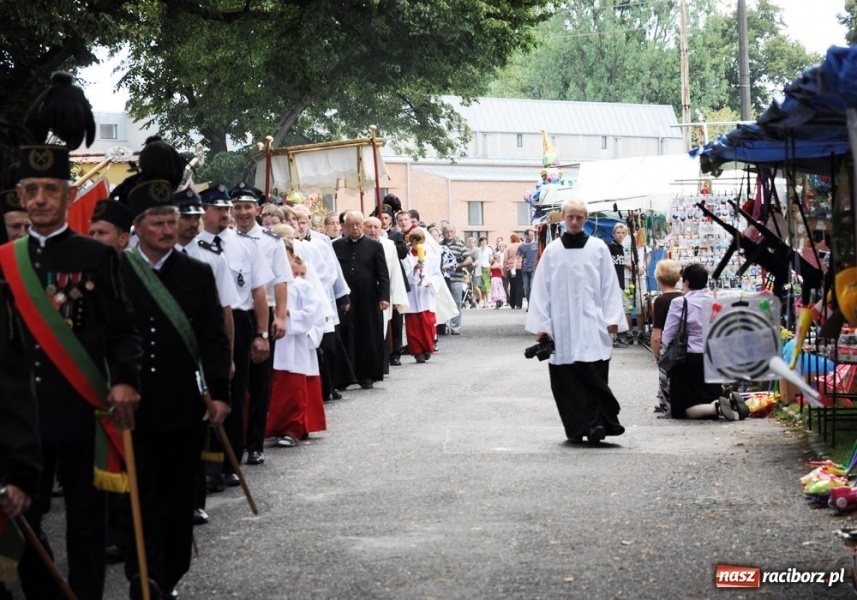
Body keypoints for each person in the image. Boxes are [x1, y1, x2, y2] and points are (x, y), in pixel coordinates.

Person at [2, 81, 144, 597]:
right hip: (22, 420)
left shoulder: (96, 257)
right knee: (24, 525)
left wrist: (125, 380)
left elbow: (123, 331)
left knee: (85, 525)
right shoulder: (4, 264)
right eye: (32, 191)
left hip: (84, 411)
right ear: (21, 196)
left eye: (52, 190)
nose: (41, 199)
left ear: (67, 195)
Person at [119, 179, 231, 599]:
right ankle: (143, 576)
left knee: (178, 497)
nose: (168, 230)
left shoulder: (197, 273)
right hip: (135, 406)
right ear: (139, 227)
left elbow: (213, 339)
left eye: (172, 221)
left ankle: (169, 572)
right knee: (140, 498)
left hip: (184, 408)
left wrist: (220, 395)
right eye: (158, 223)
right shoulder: (118, 271)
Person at [525, 199, 626, 445]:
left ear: (585, 219)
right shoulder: (552, 251)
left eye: (579, 217)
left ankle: (597, 424)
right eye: (570, 217)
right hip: (562, 325)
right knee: (567, 380)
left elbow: (609, 285)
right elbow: (541, 290)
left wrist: (613, 318)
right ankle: (578, 426)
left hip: (592, 321)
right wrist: (543, 325)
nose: (574, 221)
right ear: (563, 217)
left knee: (594, 373)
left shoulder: (598, 248)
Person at [196, 184, 273, 489]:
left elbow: (258, 293)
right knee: (203, 393)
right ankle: (204, 463)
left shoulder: (246, 246)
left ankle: (229, 462)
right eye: (219, 209)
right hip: (201, 321)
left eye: (228, 208)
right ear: (203, 212)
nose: (227, 214)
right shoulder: (190, 246)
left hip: (238, 321)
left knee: (234, 391)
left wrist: (261, 334)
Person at [230, 183, 290, 467]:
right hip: (235, 313)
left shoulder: (270, 241)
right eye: (237, 207)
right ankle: (234, 442)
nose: (242, 212)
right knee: (235, 381)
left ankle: (255, 444)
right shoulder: (225, 239)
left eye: (247, 207)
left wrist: (279, 316)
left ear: (257, 209)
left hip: (263, 312)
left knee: (259, 381)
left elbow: (280, 280)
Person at [661, 263, 749, 421]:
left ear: (686, 282)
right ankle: (729, 403)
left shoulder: (680, 303)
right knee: (709, 395)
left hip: (686, 360)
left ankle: (717, 407)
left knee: (682, 409)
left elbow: (667, 336)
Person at [267, 255, 327, 447]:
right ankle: (278, 427)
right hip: (277, 343)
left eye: (302, 273)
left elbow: (313, 314)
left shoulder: (304, 287)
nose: (298, 277)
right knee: (278, 388)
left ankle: (294, 428)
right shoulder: (271, 285)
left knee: (295, 388)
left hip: (296, 343)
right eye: (294, 273)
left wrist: (290, 314)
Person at [332, 211, 390, 389]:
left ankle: (367, 375)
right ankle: (345, 376)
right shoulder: (336, 245)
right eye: (351, 225)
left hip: (368, 297)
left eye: (358, 224)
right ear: (345, 227)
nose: (355, 228)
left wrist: (384, 297)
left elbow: (383, 274)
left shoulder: (374, 246)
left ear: (363, 225)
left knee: (368, 334)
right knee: (345, 334)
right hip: (345, 297)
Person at [649, 259, 682, 416]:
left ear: (658, 279)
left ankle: (665, 405)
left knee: (665, 377)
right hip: (684, 344)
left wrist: (656, 354)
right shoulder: (683, 297)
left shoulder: (660, 301)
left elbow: (657, 333)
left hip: (668, 346)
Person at [403, 229, 439, 363]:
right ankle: (417, 351)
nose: (417, 243)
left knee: (428, 322)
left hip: (426, 294)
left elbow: (436, 273)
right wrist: (414, 269)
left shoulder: (430, 256)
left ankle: (427, 347)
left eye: (420, 241)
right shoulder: (407, 257)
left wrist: (430, 282)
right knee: (414, 325)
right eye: (414, 241)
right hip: (413, 293)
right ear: (410, 242)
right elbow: (405, 274)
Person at [440, 224, 471, 335]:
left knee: (456, 302)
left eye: (451, 231)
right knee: (443, 303)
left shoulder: (460, 245)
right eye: (447, 231)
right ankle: (443, 326)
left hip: (456, 278)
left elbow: (469, 260)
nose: (449, 233)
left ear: (455, 232)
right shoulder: (438, 245)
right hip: (442, 279)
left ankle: (455, 326)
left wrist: (456, 265)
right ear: (443, 233)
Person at [607, 223, 634, 347]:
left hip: (620, 280)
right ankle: (613, 337)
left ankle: (615, 336)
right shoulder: (611, 246)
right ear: (614, 233)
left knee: (618, 309)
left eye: (623, 233)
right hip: (613, 282)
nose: (620, 235)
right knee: (614, 310)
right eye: (618, 232)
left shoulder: (621, 247)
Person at [516, 228, 538, 307]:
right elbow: (517, 257)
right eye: (531, 235)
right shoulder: (521, 246)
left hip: (534, 269)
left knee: (532, 287)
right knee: (527, 288)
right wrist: (513, 269)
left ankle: (533, 305)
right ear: (526, 236)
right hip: (524, 269)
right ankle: (529, 304)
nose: (532, 236)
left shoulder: (536, 244)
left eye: (533, 235)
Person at [504, 233, 524, 309]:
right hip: (520, 267)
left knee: (512, 286)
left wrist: (505, 271)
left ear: (511, 239)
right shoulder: (522, 246)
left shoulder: (508, 247)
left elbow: (505, 260)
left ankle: (512, 303)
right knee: (519, 286)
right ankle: (519, 304)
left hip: (511, 268)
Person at [475, 237, 493, 307]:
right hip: (479, 268)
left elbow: (491, 259)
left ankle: (488, 301)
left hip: (486, 267)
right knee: (481, 285)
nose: (484, 242)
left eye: (485, 241)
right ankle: (483, 301)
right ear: (480, 242)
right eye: (482, 241)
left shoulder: (489, 249)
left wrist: (490, 269)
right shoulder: (478, 250)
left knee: (486, 285)